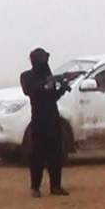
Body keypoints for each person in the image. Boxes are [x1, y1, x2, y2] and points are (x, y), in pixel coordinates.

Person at [20, 48, 70, 198]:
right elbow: (31, 91)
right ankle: (35, 187)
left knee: (56, 155)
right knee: (37, 156)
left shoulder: (48, 76)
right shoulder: (27, 76)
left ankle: (56, 186)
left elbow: (52, 97)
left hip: (53, 119)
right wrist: (46, 85)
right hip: (39, 120)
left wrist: (62, 87)